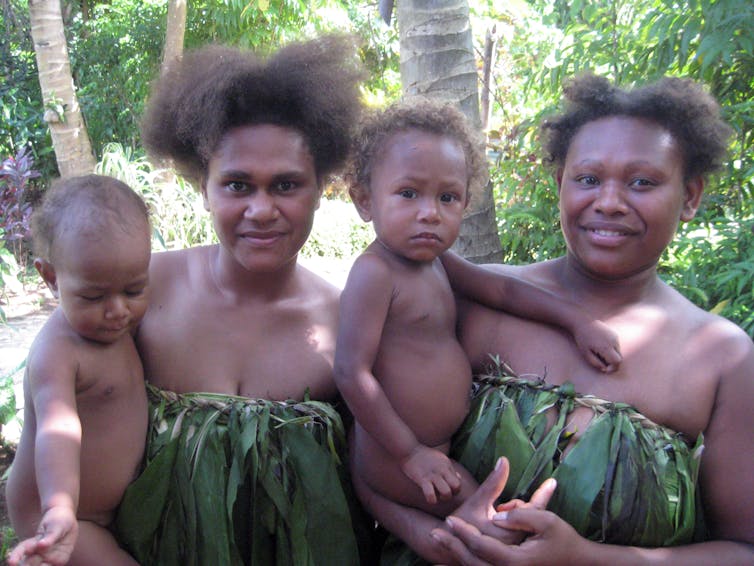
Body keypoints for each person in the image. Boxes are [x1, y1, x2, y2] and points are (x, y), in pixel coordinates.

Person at [423, 74, 754, 564]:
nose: (609, 202)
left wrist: (584, 558)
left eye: (642, 182)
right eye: (588, 178)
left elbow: (743, 548)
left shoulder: (722, 358)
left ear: (690, 196)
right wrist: (445, 539)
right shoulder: (467, 299)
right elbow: (375, 455)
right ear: (560, 183)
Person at [112, 35, 374, 565]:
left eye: (285, 185)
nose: (261, 209)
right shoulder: (139, 294)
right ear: (201, 185)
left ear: (319, 187)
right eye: (236, 185)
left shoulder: (348, 323)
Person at [335, 99, 621, 563]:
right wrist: (410, 453)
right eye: (408, 194)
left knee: (464, 532)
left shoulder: (436, 262)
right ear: (364, 200)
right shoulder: (375, 273)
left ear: (466, 203)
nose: (430, 212)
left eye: (447, 198)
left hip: (423, 451)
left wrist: (576, 321)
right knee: (490, 528)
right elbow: (351, 371)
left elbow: (503, 292)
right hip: (398, 455)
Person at [6, 175, 151, 566]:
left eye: (134, 290)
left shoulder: (114, 324)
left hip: (101, 509)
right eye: (94, 296)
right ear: (50, 277)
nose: (118, 309)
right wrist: (59, 506)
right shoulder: (59, 352)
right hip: (59, 514)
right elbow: (58, 431)